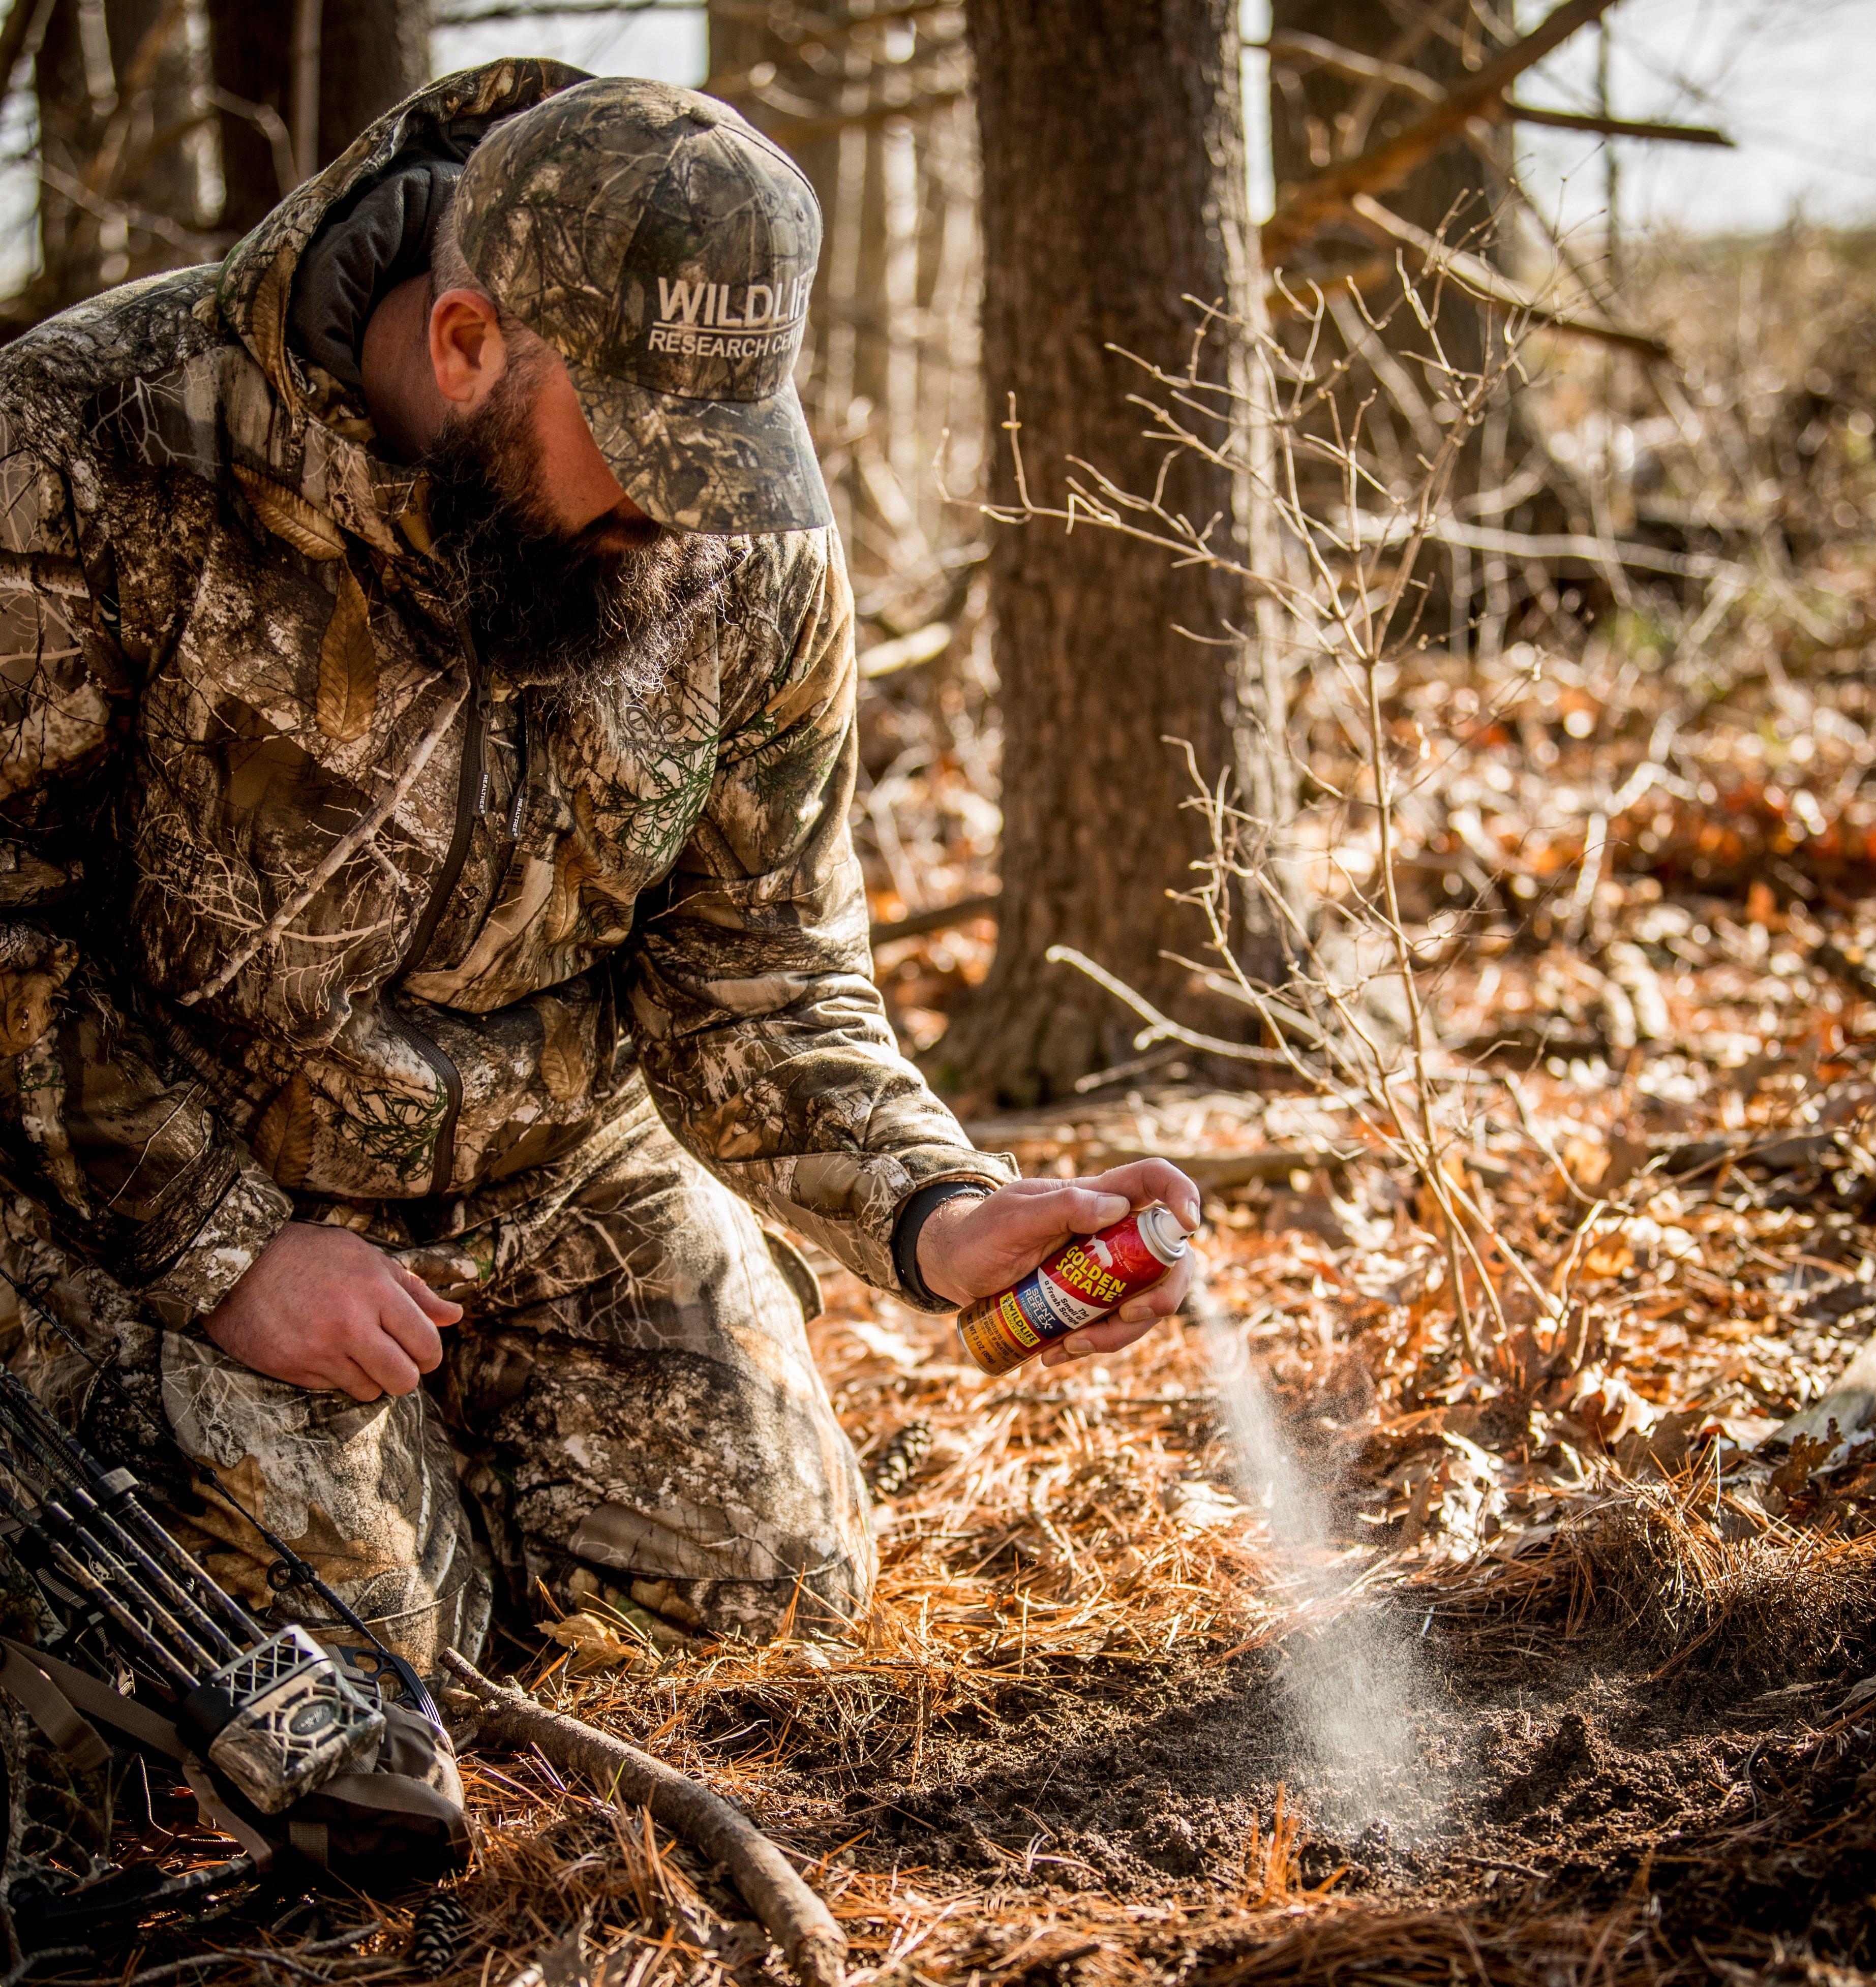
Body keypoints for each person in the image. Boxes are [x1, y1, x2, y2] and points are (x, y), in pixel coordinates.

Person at [0, 62, 1195, 1671]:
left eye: (731, 448)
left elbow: (761, 967)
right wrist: (224, 1249)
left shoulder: (741, 545)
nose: (691, 514)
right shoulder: (87, 441)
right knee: (333, 1690)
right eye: (641, 441)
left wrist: (937, 1209)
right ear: (467, 342)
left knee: (766, 1600)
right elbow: (7, 929)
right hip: (173, 1170)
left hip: (551, 1163)